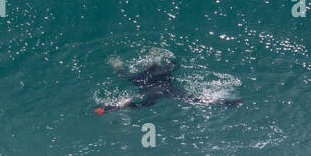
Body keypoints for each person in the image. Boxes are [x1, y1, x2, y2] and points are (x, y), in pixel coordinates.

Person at [94, 49, 241, 113]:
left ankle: (117, 64)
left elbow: (126, 98)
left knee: (128, 89)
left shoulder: (148, 78)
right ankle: (225, 103)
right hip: (160, 88)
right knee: (195, 99)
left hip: (152, 88)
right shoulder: (165, 76)